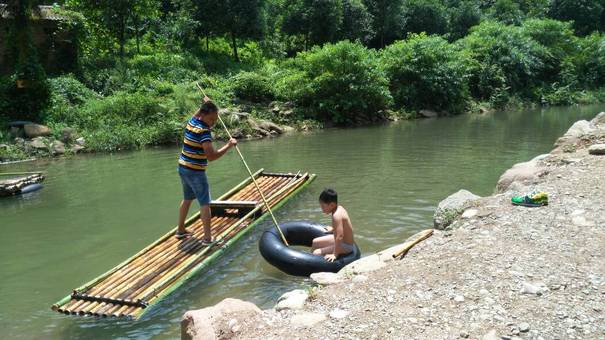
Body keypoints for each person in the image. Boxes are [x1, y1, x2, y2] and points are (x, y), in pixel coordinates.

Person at [176, 96, 237, 242]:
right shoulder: (204, 132)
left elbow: (198, 113)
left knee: (187, 198)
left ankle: (180, 230)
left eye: (215, 120)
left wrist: (206, 104)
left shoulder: (193, 121)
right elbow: (211, 156)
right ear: (203, 115)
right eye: (211, 119)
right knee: (205, 203)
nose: (213, 123)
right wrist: (229, 145)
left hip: (183, 168)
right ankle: (208, 238)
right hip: (195, 172)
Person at [311, 188, 355, 262]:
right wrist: (333, 229)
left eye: (323, 206)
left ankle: (314, 266)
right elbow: (342, 226)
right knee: (315, 242)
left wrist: (335, 254)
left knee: (316, 253)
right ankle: (309, 260)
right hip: (341, 241)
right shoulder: (338, 208)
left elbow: (339, 236)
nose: (322, 209)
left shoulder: (336, 215)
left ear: (331, 205)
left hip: (346, 245)